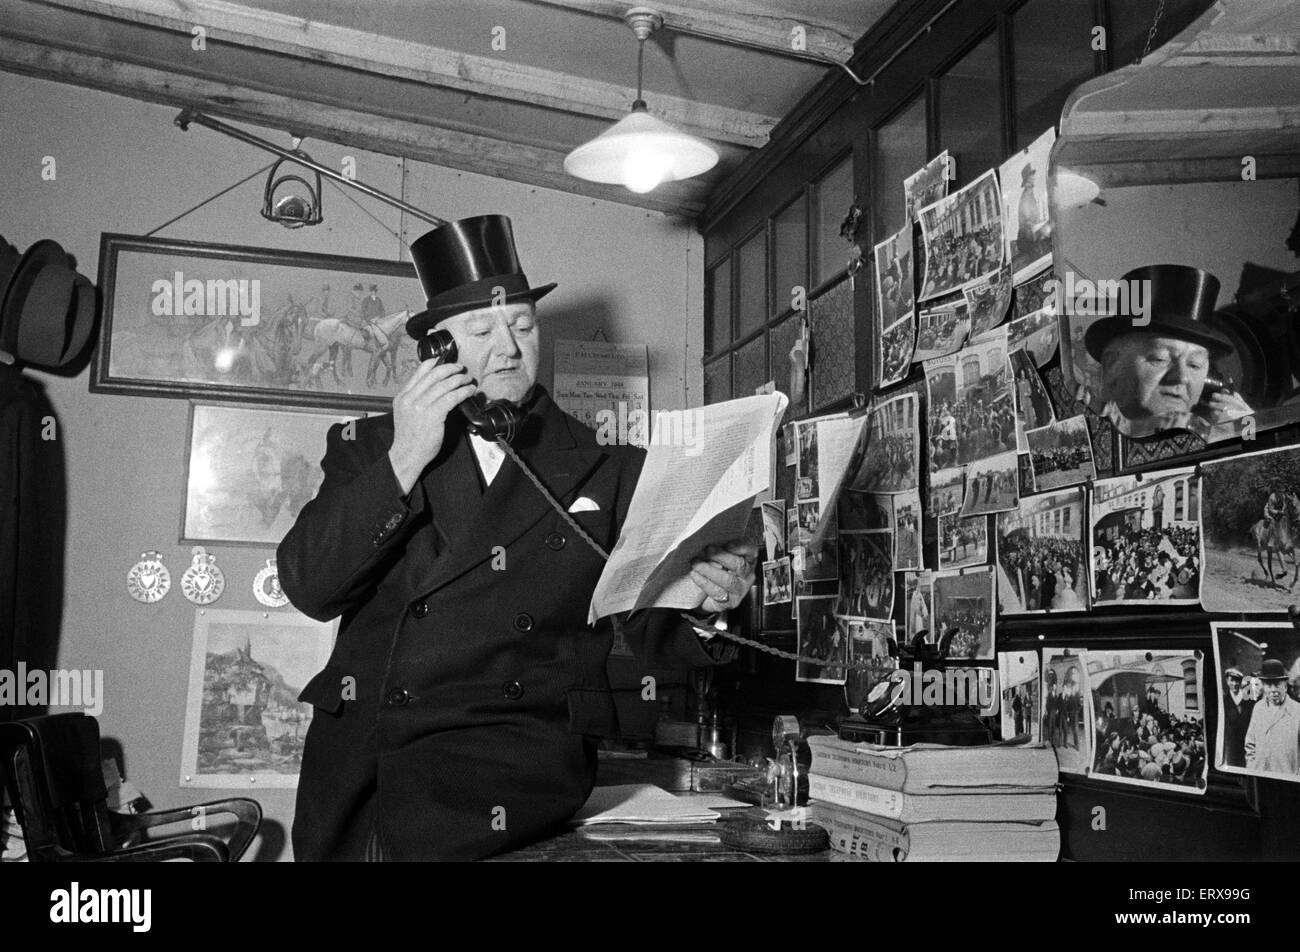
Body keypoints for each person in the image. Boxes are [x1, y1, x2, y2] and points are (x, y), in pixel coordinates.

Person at [277, 215, 757, 861]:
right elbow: (311, 586)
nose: (507, 348)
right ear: (437, 350)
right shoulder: (369, 449)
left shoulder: (604, 463)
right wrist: (406, 456)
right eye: (481, 332)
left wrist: (705, 605)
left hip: (525, 780)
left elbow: (634, 628)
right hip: (380, 775)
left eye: (523, 328)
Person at [1084, 265, 1251, 438]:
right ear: (1112, 365)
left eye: (1194, 365)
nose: (1182, 377)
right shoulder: (1087, 428)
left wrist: (1250, 431)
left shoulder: (1213, 432)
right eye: (1160, 359)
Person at [1244, 659, 1300, 775]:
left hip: (1286, 778)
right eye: (1269, 685)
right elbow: (1250, 744)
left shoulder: (1297, 710)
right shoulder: (1258, 708)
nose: (1273, 690)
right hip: (1260, 776)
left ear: (1285, 685)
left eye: (1277, 684)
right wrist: (1252, 767)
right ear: (1264, 686)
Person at [1221, 667, 1253, 768]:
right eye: (1232, 680)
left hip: (1247, 747)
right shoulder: (1223, 702)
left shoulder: (1248, 701)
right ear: (1227, 681)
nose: (1234, 684)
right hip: (1231, 748)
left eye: (1237, 680)